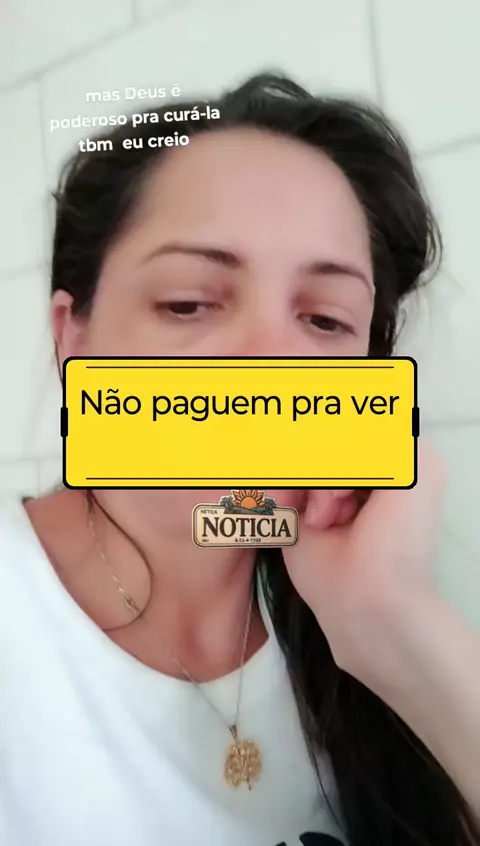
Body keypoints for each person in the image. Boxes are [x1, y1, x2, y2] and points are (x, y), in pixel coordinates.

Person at [0, 73, 479, 846]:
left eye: (325, 320)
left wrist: (398, 630)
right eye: (187, 303)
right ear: (73, 338)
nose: (270, 363)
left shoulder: (357, 621)